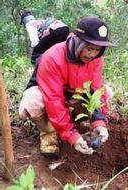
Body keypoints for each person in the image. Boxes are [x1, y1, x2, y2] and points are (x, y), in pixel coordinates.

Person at [18, 16, 115, 157]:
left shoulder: (96, 59)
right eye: (89, 48)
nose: (92, 54)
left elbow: (96, 90)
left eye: (97, 49)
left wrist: (99, 122)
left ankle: (81, 123)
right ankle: (49, 132)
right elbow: (53, 100)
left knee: (107, 91)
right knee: (31, 101)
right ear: (78, 41)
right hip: (50, 95)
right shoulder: (52, 57)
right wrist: (71, 136)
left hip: (74, 94)